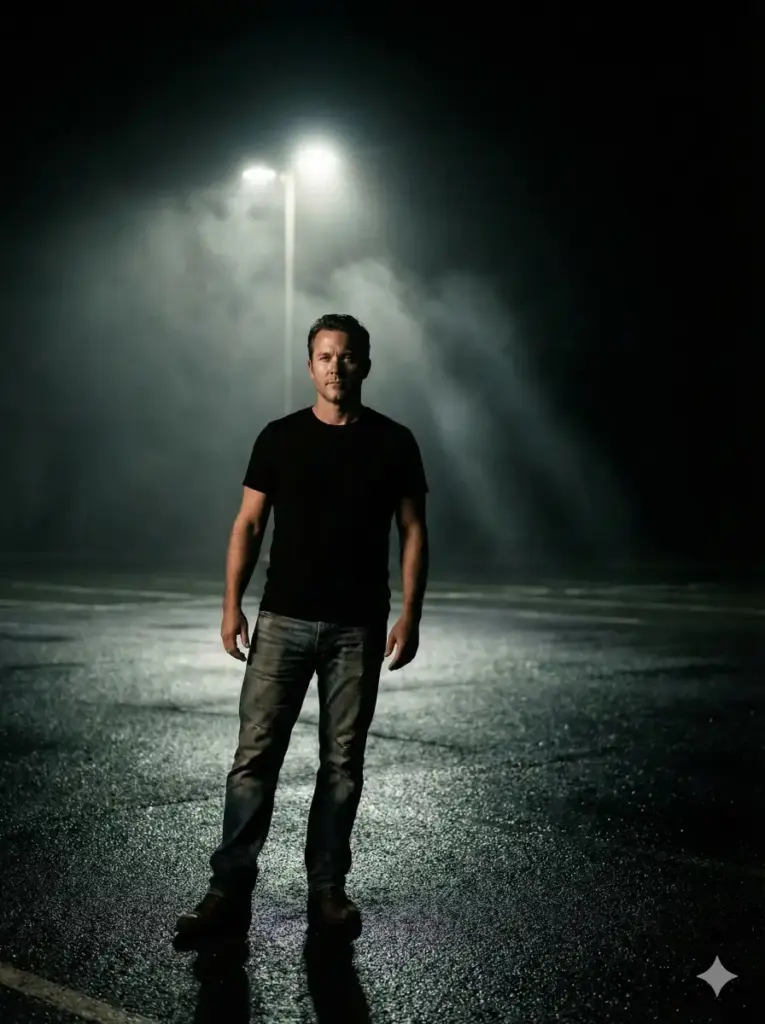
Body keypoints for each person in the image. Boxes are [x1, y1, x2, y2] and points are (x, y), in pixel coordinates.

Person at [174, 313, 429, 949]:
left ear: (365, 364)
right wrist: (231, 606)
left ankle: (327, 895)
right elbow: (249, 524)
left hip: (357, 627)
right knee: (253, 760)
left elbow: (414, 532)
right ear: (309, 365)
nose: (336, 367)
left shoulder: (395, 443)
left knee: (342, 765)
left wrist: (412, 614)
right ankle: (227, 895)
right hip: (281, 620)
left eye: (347, 357)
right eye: (324, 356)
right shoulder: (280, 437)